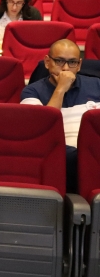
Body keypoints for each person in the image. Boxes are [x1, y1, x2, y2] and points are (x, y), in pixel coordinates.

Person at [21, 39, 100, 193]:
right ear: (47, 62)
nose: (65, 69)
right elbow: (42, 130)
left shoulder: (97, 85)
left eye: (72, 62)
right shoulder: (32, 91)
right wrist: (61, 89)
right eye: (59, 61)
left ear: (79, 65)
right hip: (60, 153)